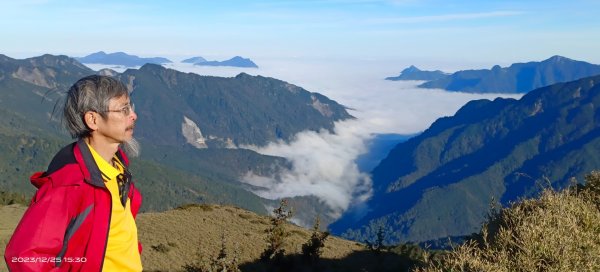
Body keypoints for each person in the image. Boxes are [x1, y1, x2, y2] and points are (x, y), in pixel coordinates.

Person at [4, 75, 143, 271]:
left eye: (131, 107)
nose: (133, 115)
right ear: (93, 119)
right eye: (123, 109)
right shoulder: (70, 184)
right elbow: (23, 256)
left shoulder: (118, 168)